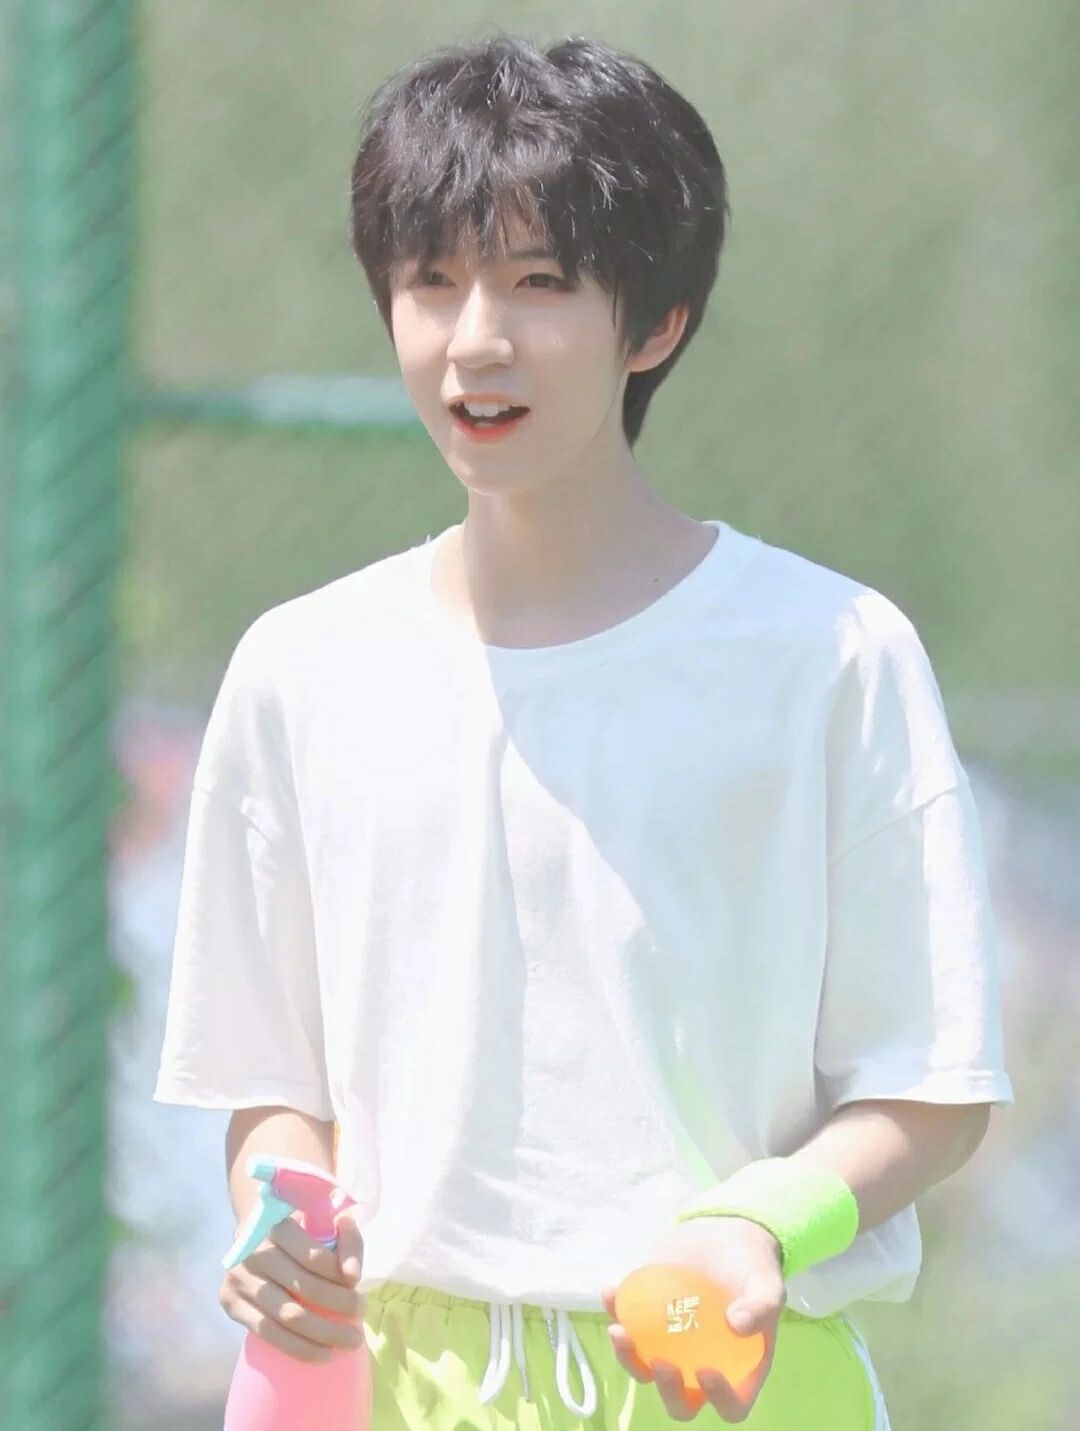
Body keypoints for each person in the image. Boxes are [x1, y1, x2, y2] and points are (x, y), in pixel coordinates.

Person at [153, 31, 1014, 1431]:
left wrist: (756, 1227)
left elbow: (932, 1088)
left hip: (724, 1384)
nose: (476, 338)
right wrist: (280, 1230)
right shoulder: (302, 671)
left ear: (655, 322)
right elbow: (269, 1093)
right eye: (433, 282)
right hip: (391, 1390)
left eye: (540, 282)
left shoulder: (832, 654)